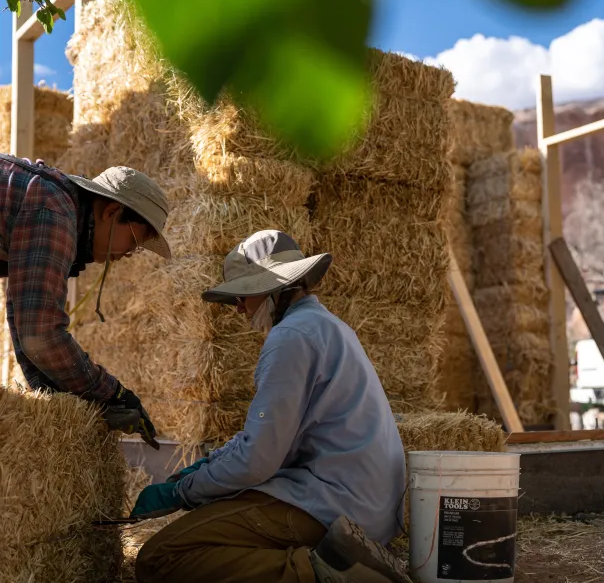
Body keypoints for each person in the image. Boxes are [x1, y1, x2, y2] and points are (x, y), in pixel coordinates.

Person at [131, 230, 411, 583]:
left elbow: (257, 462)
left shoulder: (290, 337)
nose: (239, 308)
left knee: (161, 557)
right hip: (368, 504)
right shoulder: (328, 327)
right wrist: (209, 466)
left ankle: (326, 575)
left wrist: (181, 491)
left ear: (274, 289)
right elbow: (270, 438)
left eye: (244, 295)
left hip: (338, 506)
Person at [0, 153, 172, 444]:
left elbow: (24, 318)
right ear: (112, 212)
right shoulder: (53, 210)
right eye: (133, 240)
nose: (128, 254)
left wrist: (59, 401)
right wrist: (112, 393)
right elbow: (40, 336)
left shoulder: (50, 202)